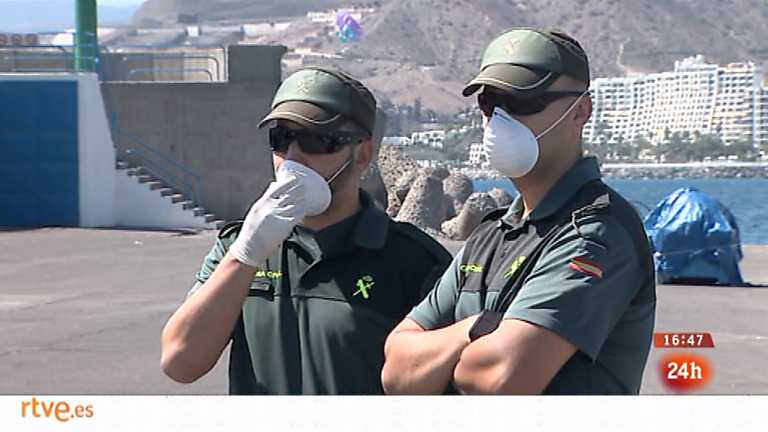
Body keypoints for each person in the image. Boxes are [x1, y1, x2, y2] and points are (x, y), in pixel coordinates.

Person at [381, 28, 656, 395]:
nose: (500, 119)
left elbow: (498, 377)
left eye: (523, 101)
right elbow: (397, 369)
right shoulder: (489, 236)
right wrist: (476, 329)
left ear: (580, 111)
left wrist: (439, 356)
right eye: (490, 102)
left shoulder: (597, 233)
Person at [161, 67, 452, 395]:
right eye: (281, 139)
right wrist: (244, 257)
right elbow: (180, 362)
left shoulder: (413, 261)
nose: (293, 158)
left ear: (362, 154)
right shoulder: (239, 246)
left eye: (316, 140)